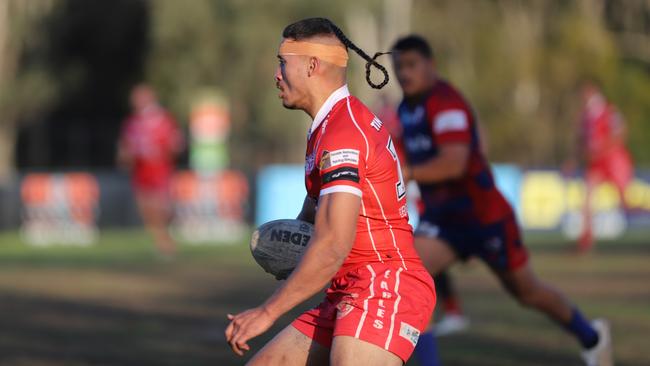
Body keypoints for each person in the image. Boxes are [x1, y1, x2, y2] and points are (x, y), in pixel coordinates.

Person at [390, 35, 612, 366]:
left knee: (528, 292)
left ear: (431, 66)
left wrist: (406, 171)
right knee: (410, 280)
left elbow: (455, 162)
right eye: (399, 67)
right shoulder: (406, 108)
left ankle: (592, 336)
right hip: (444, 221)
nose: (404, 74)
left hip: (484, 217)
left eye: (411, 65)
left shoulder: (445, 102)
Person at [225, 18, 436, 365]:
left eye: (283, 62)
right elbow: (314, 216)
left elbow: (334, 243)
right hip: (347, 288)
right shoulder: (327, 127)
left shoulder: (343, 133)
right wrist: (290, 249)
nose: (277, 74)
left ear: (311, 65)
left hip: (383, 283)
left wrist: (267, 311)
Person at [376, 95, 469, 337]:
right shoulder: (382, 119)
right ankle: (443, 311)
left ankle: (448, 311)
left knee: (419, 254)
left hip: (410, 183)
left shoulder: (403, 120)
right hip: (398, 181)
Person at [118, 84, 183, 258]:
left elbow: (175, 143)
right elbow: (125, 147)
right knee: (146, 210)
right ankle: (162, 242)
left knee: (160, 208)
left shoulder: (163, 120)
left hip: (160, 170)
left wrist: (168, 150)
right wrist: (125, 157)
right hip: (141, 172)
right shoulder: (132, 123)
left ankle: (166, 243)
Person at [575, 82, 634, 252]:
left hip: (614, 160)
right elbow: (580, 140)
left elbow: (621, 133)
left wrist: (602, 148)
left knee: (626, 204)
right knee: (587, 199)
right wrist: (575, 158)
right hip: (597, 164)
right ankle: (586, 240)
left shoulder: (609, 111)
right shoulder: (585, 116)